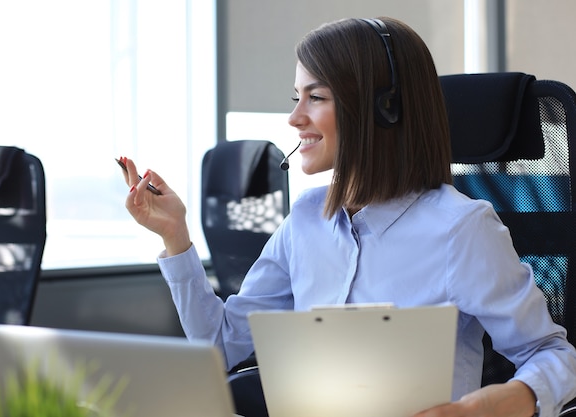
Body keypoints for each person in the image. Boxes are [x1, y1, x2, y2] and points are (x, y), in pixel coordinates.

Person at [120, 16, 576, 417]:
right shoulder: (304, 221)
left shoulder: (460, 228)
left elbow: (553, 354)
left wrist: (497, 404)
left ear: (384, 110)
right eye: (295, 97)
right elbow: (218, 347)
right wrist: (175, 237)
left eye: (314, 97)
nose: (294, 118)